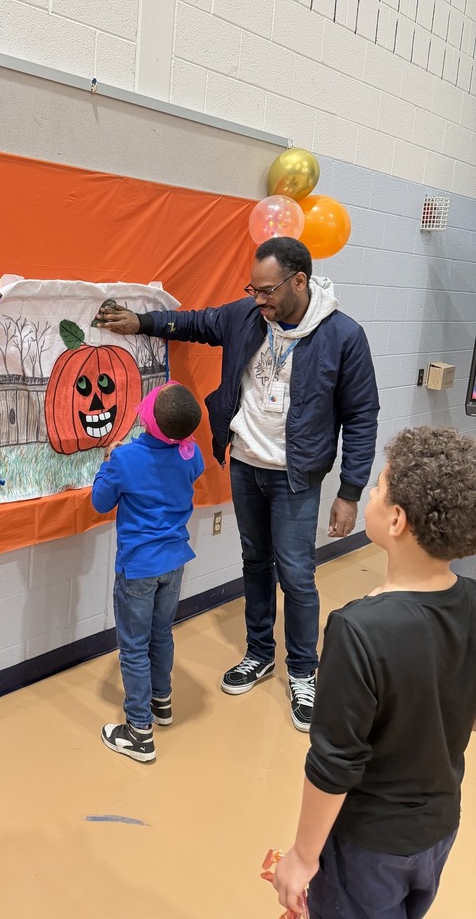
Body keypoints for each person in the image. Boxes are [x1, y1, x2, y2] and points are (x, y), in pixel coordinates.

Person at [96, 237, 379, 732]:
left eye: (267, 291)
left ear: (299, 281)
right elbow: (196, 322)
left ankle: (302, 671)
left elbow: (361, 416)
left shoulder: (343, 336)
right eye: (254, 289)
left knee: (296, 574)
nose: (259, 299)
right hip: (246, 466)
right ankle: (259, 653)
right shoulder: (248, 317)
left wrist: (350, 492)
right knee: (255, 562)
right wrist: (139, 322)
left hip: (296, 476)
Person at [272, 425, 476, 918]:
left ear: (398, 520)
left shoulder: (356, 631)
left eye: (379, 487)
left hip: (367, 848)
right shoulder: (472, 602)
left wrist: (301, 857)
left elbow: (333, 763)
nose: (373, 492)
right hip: (439, 828)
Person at [92, 381, 204, 763]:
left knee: (133, 647)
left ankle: (139, 731)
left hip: (138, 568)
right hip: (173, 564)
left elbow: (100, 502)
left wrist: (109, 463)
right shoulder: (192, 454)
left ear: (149, 418)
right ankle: (162, 701)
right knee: (161, 634)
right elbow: (188, 468)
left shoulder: (126, 459)